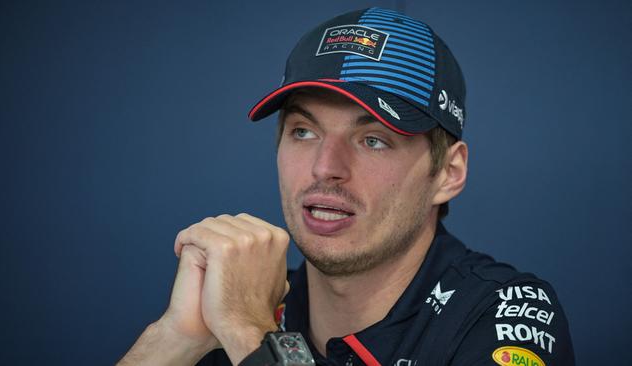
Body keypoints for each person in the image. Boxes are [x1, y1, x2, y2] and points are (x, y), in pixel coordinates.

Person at [118, 7, 575, 366]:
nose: (324, 167)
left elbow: (248, 329)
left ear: (448, 173)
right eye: (304, 132)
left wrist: (251, 335)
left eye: (373, 139)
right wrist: (173, 340)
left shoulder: (501, 313)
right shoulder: (244, 304)